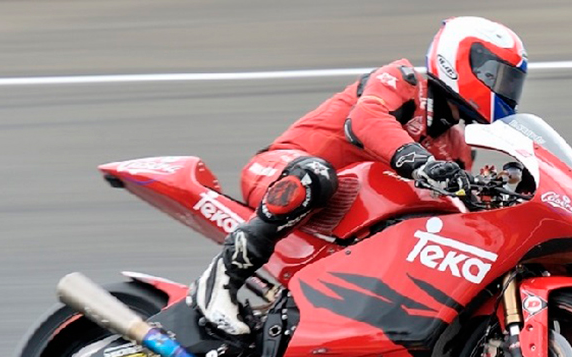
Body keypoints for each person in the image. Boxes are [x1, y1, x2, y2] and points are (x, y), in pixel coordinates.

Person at [191, 16, 528, 336]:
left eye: (511, 82)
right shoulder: (404, 81)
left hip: (343, 221)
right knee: (315, 175)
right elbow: (366, 120)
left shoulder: (458, 147)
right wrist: (419, 162)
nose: (506, 89)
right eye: (497, 77)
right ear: (458, 63)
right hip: (282, 175)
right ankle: (221, 278)